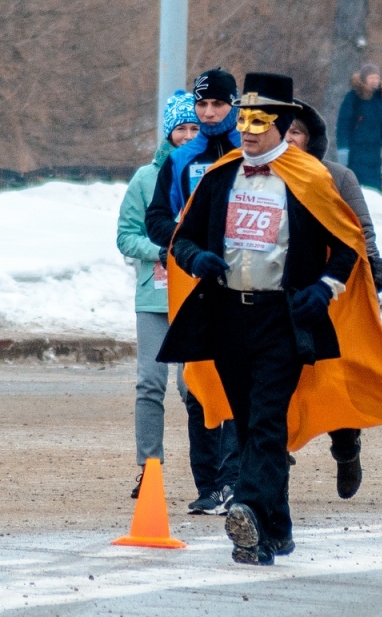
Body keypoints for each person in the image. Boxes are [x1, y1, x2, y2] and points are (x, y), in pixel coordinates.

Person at [159, 73, 382, 566]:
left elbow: (347, 246)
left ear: (282, 125)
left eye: (260, 121)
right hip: (229, 320)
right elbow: (183, 239)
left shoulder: (312, 180)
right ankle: (277, 528)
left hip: (285, 321)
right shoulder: (220, 177)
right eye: (244, 120)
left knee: (267, 420)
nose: (249, 130)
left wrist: (325, 287)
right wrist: (198, 261)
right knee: (249, 418)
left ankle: (250, 512)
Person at [144, 68, 241, 515]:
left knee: (241, 382)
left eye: (216, 104)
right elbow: (157, 219)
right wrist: (184, 247)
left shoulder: (250, 152)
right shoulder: (181, 159)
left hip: (246, 284)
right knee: (197, 385)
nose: (207, 112)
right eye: (201, 105)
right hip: (195, 283)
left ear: (233, 105)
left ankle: (237, 477)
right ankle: (208, 485)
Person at [285, 99, 382, 498]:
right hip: (280, 290)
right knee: (276, 376)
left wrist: (374, 263)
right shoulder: (262, 176)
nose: (290, 138)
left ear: (311, 140)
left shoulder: (337, 176)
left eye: (298, 132)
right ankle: (273, 454)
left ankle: (346, 447)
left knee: (332, 379)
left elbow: (359, 228)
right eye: (286, 130)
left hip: (334, 290)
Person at [116, 90, 199, 500]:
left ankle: (214, 472)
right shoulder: (146, 179)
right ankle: (149, 468)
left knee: (194, 386)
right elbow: (126, 237)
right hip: (155, 298)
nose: (187, 135)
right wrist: (162, 251)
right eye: (180, 129)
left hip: (197, 297)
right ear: (168, 133)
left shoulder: (209, 172)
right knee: (150, 383)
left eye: (193, 128)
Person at [335, 63, 382, 190]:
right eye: (371, 78)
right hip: (355, 152)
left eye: (376, 78)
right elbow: (343, 125)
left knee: (374, 189)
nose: (374, 81)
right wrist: (343, 148)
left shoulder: (380, 100)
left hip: (374, 153)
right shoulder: (353, 98)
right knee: (356, 188)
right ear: (364, 79)